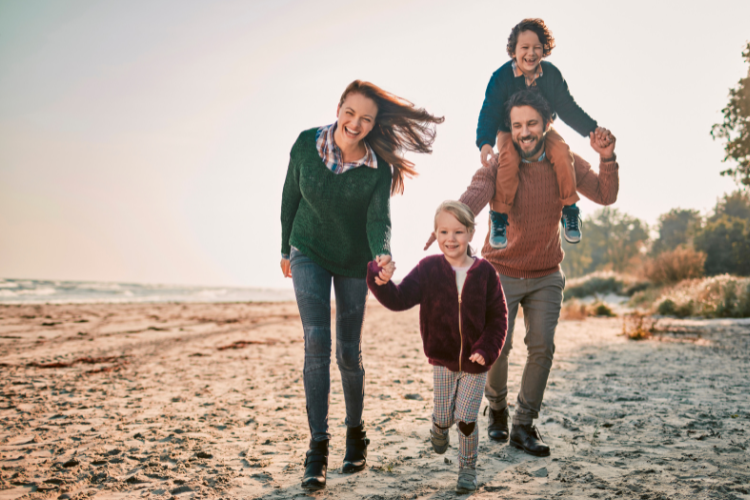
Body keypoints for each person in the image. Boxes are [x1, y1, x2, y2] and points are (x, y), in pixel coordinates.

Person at [428, 89, 619, 457]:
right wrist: (452, 219)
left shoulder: (566, 161)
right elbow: (477, 192)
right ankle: (496, 407)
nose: (524, 131)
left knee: (542, 347)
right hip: (499, 272)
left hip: (547, 272)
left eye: (532, 123)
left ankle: (524, 425)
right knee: (498, 348)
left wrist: (607, 158)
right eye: (517, 125)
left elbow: (605, 195)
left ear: (547, 124)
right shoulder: (499, 165)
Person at [280, 80, 443, 490]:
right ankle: (317, 448)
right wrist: (285, 248)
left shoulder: (376, 169)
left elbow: (378, 221)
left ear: (373, 125)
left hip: (355, 261)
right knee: (316, 340)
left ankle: (356, 433)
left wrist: (381, 255)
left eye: (366, 119)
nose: (356, 123)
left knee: (348, 353)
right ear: (338, 109)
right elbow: (289, 197)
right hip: (308, 251)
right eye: (350, 113)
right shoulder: (305, 145)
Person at [367, 201, 508, 492]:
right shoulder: (428, 269)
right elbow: (399, 298)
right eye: (443, 231)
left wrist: (486, 348)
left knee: (467, 419)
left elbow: (499, 318)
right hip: (442, 360)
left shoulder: (485, 273)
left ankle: (467, 469)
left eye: (458, 231)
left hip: (475, 363)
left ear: (470, 233)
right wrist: (377, 279)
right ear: (436, 233)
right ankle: (439, 427)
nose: (450, 238)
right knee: (445, 416)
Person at [476, 18, 607, 249]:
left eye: (537, 47)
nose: (531, 53)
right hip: (509, 131)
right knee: (509, 157)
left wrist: (592, 129)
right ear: (513, 51)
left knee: (563, 151)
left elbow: (567, 108)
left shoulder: (552, 76)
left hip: (543, 130)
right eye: (524, 48)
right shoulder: (501, 77)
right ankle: (499, 217)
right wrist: (485, 142)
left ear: (544, 49)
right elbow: (490, 110)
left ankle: (570, 210)